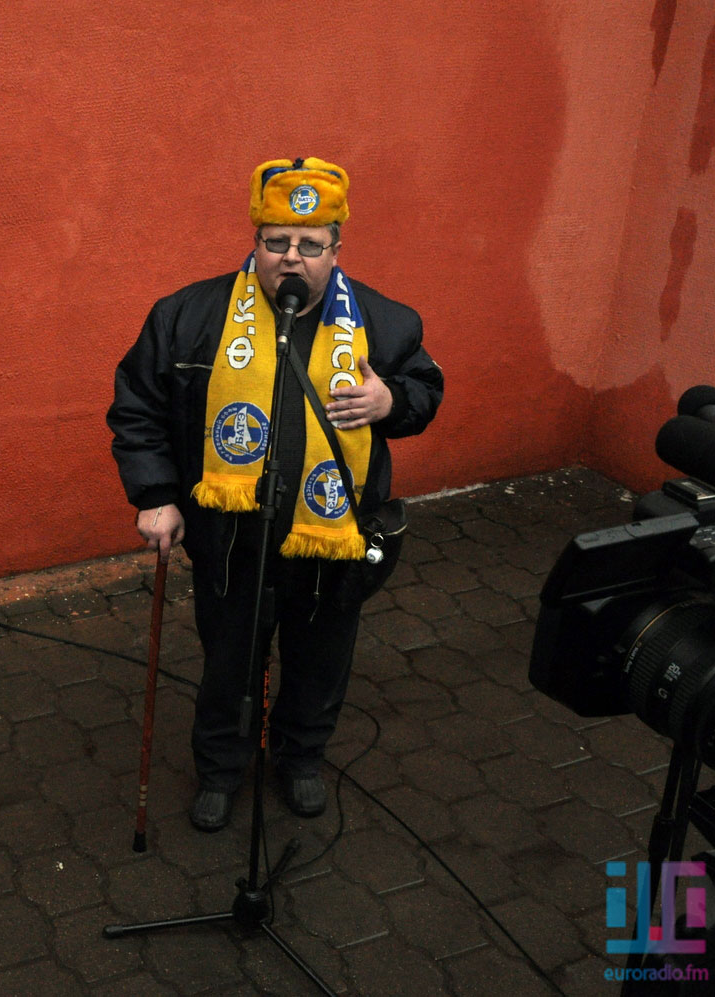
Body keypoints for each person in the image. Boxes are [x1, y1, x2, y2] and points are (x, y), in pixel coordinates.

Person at [107, 157, 443, 831]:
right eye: (276, 241)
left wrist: (392, 399)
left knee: (321, 661)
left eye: (310, 244)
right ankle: (222, 769)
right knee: (229, 662)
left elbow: (427, 389)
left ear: (336, 248)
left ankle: (300, 759)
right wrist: (156, 494)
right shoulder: (186, 317)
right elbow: (138, 406)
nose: (292, 258)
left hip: (333, 540)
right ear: (255, 241)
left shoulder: (388, 323)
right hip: (231, 543)